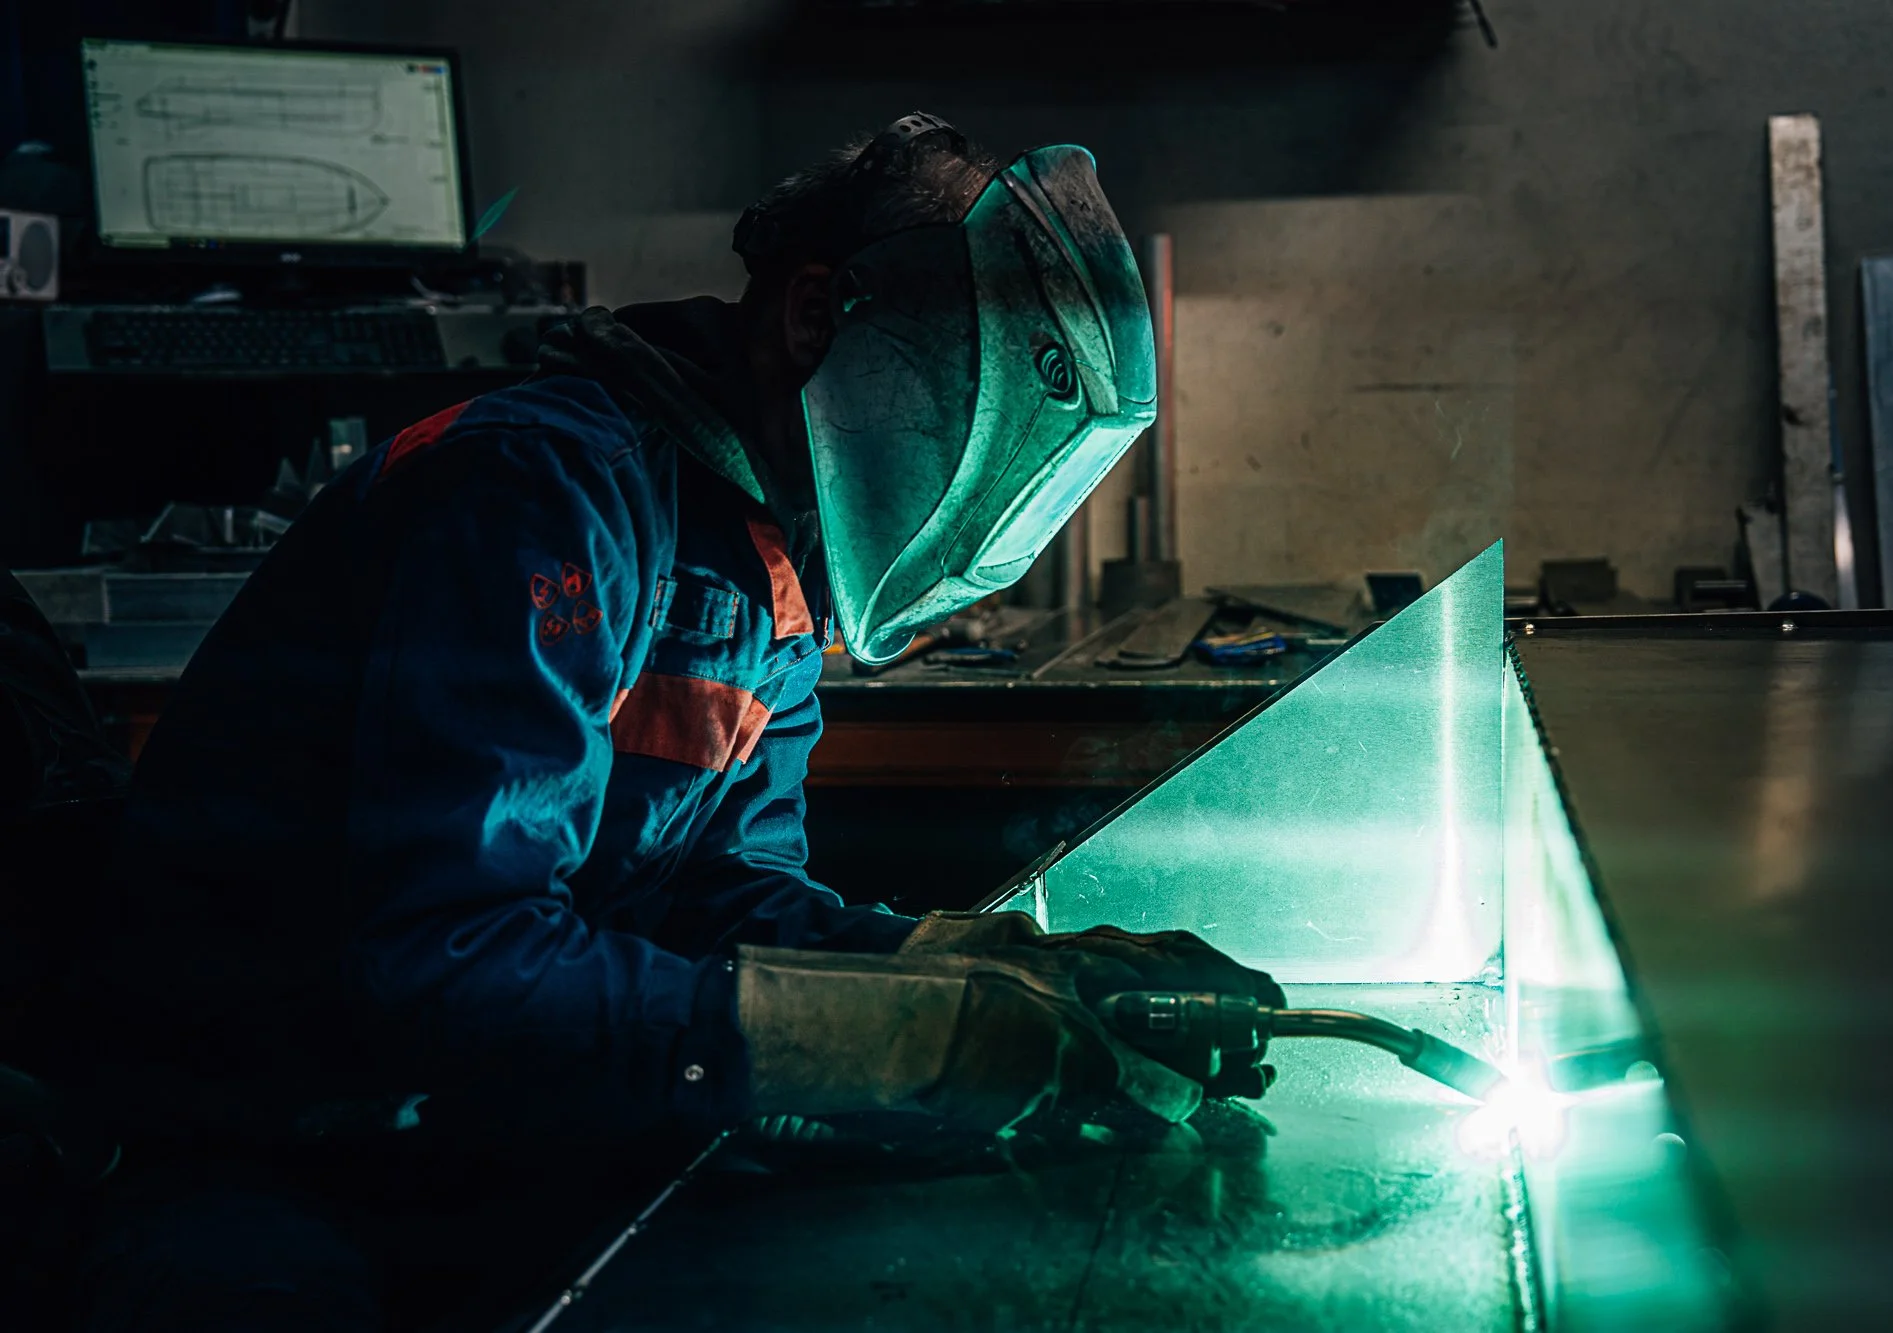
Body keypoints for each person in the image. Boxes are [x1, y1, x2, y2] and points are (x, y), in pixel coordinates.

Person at [63, 115, 1281, 1331]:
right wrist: (915, 1040)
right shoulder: (533, 493)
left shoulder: (765, 566)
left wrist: (987, 964)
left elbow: (727, 895)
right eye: (954, 403)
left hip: (473, 1121)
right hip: (262, 1145)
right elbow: (451, 965)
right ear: (816, 316)